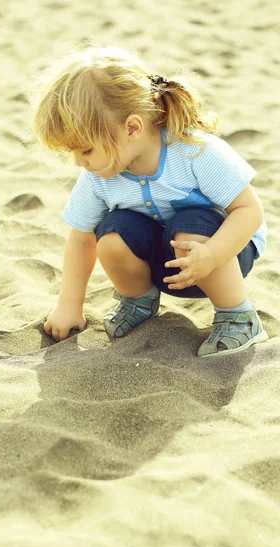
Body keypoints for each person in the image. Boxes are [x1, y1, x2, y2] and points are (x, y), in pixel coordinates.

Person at [30, 45, 268, 357]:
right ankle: (139, 301)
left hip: (223, 256)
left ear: (131, 127)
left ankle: (239, 317)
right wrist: (68, 306)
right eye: (71, 152)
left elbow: (249, 211)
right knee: (113, 231)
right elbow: (80, 240)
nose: (78, 162)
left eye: (85, 150)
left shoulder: (195, 151)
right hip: (163, 264)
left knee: (189, 225)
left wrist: (211, 255)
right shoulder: (100, 175)